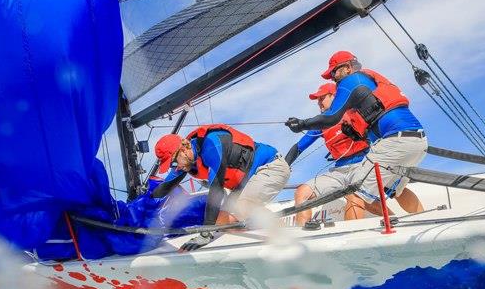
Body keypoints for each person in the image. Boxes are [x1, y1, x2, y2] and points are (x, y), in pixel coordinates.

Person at [285, 51, 426, 214]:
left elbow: (331, 117)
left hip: (394, 141)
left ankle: (349, 240)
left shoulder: (350, 81)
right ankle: (421, 218)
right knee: (394, 190)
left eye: (333, 72)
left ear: (346, 68)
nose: (333, 77)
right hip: (417, 140)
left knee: (355, 193)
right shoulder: (365, 86)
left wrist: (302, 124)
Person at [153, 124, 291, 250]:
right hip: (245, 182)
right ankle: (248, 252)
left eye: (174, 163)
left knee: (244, 206)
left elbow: (216, 190)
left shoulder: (211, 145)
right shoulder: (185, 159)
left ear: (183, 149)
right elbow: (163, 189)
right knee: (221, 221)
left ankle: (287, 239)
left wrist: (205, 233)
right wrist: (142, 202)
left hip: (271, 166)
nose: (176, 168)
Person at [286, 82, 372, 225]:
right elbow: (299, 147)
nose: (319, 103)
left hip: (361, 165)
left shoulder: (353, 112)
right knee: (302, 193)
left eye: (322, 98)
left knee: (354, 194)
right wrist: (284, 165)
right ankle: (302, 238)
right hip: (338, 171)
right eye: (317, 100)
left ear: (334, 96)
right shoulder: (321, 123)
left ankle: (352, 238)